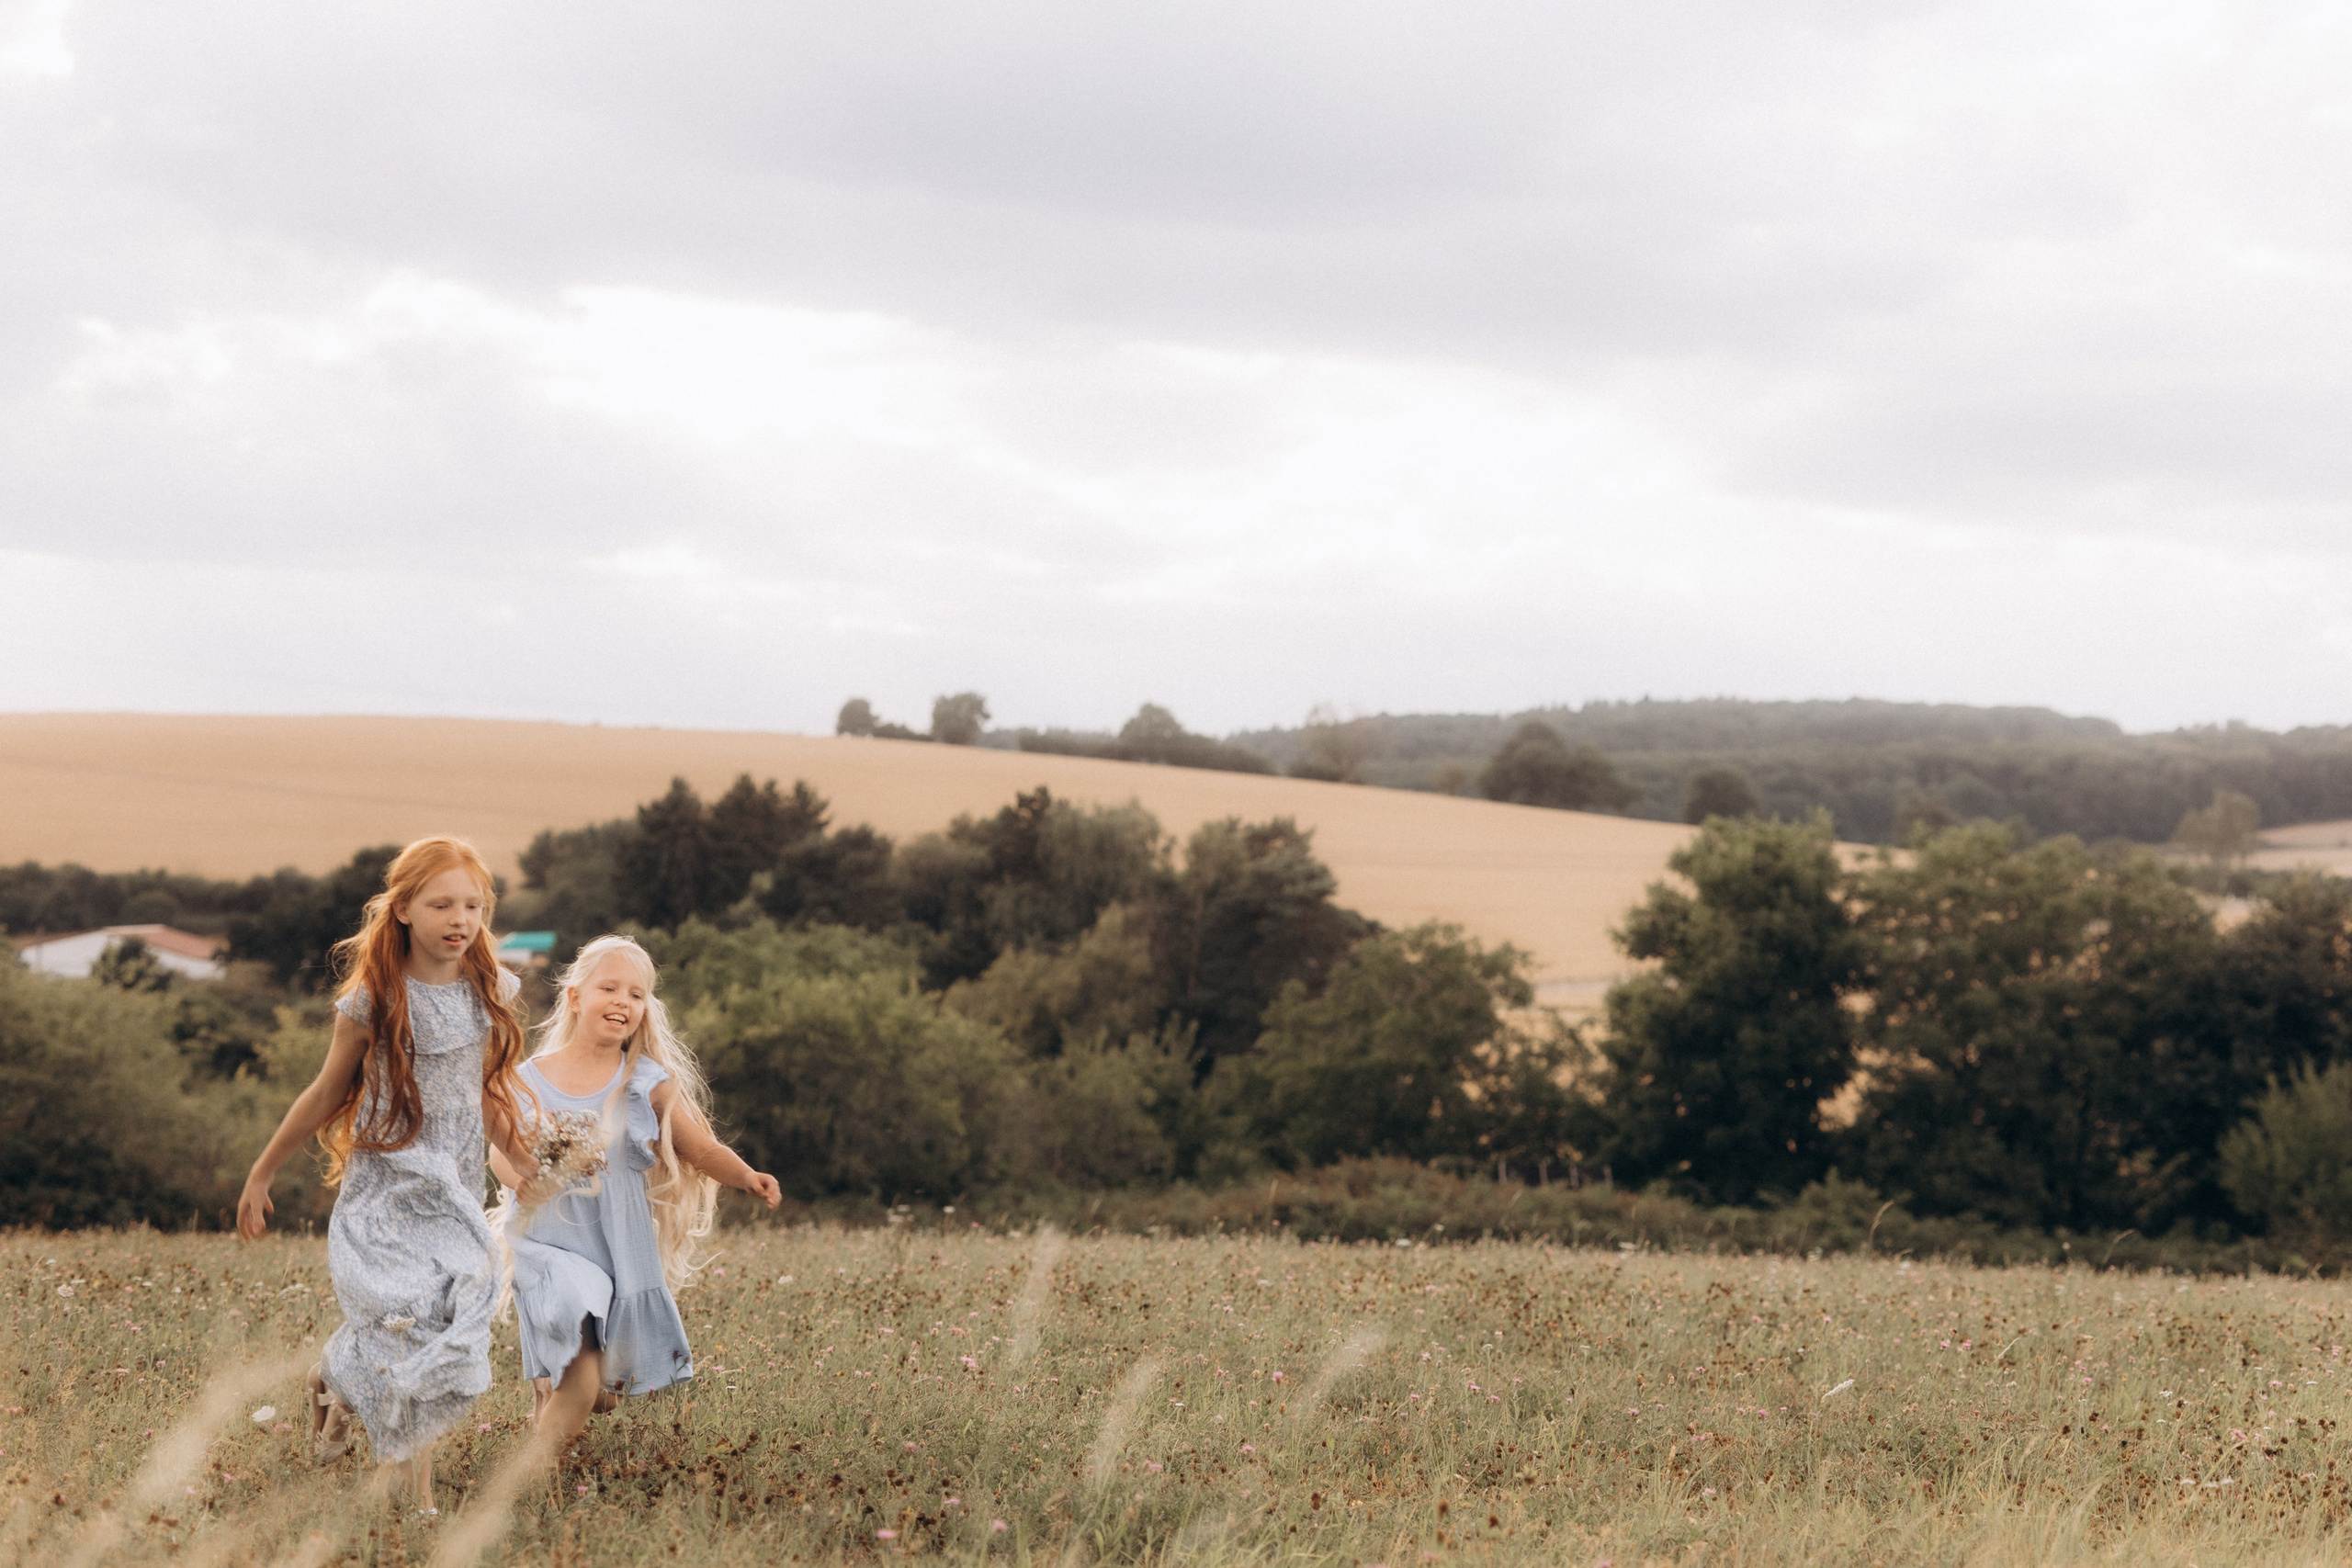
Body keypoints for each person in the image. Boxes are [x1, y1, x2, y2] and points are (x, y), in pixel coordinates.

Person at [237, 836, 538, 1515]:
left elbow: (484, 1094)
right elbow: (322, 1093)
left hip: (452, 1191)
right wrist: (262, 1171)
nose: (460, 918)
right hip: (386, 1184)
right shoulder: (374, 998)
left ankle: (332, 1376)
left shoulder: (488, 989)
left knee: (443, 1319)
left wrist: (521, 1160)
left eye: (474, 905)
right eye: (441, 904)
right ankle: (419, 1497)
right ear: (402, 908)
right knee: (408, 1320)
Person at [490, 934, 779, 1449]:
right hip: (548, 1246)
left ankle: (558, 1387)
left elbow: (701, 1148)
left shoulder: (645, 1082)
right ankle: (532, 1481)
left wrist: (746, 1176)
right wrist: (523, 1179)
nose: (623, 1001)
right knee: (580, 1374)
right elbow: (499, 1150)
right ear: (576, 997)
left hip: (616, 1251)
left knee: (602, 1392)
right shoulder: (526, 1080)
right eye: (610, 988)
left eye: (637, 994)